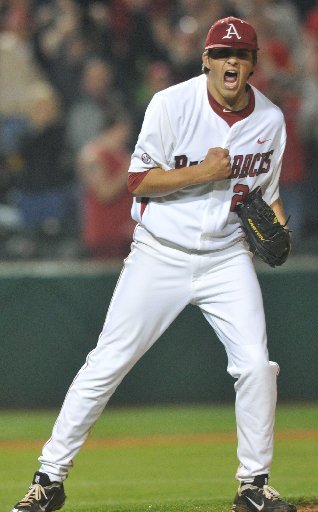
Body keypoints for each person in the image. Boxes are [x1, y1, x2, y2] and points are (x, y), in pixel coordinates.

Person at [11, 16, 296, 512]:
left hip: (228, 257)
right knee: (105, 364)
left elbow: (269, 197)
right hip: (159, 254)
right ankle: (48, 479)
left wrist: (281, 227)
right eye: (223, 53)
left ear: (253, 64)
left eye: (242, 54)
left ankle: (254, 485)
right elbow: (137, 180)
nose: (232, 61)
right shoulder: (171, 104)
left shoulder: (269, 121)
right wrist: (203, 172)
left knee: (256, 366)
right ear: (206, 60)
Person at [77, 116, 136, 259]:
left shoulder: (122, 155)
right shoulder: (92, 156)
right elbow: (104, 193)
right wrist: (126, 172)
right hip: (103, 233)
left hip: (125, 233)